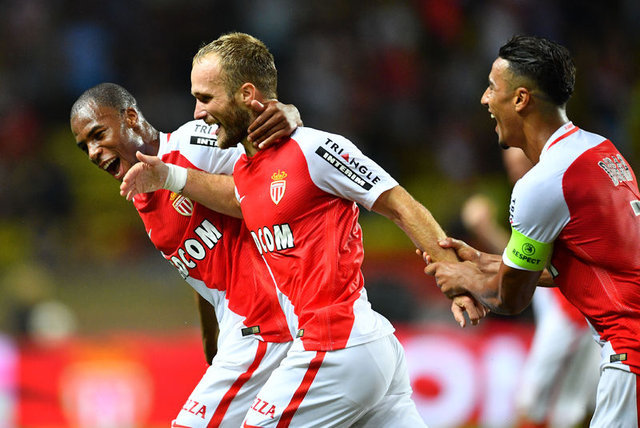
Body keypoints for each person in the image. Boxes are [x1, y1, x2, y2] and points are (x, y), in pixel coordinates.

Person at [119, 32, 487, 427]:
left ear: (246, 94)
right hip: (364, 348)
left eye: (206, 98)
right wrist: (168, 176)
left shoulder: (314, 149)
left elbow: (400, 204)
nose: (197, 112)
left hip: (336, 344)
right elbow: (234, 198)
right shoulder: (245, 172)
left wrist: (455, 277)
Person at [422, 35, 640, 427]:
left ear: (521, 99)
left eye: (492, 88)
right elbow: (579, 265)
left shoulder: (544, 182)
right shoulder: (601, 150)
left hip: (631, 349)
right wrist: (485, 261)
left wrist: (462, 277)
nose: (485, 100)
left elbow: (510, 298)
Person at [69, 82, 303, 427]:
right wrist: (212, 343)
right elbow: (204, 272)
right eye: (84, 146)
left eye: (98, 134)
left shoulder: (195, 142)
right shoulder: (140, 195)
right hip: (243, 332)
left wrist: (287, 115)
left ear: (130, 117)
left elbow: (275, 180)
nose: (92, 152)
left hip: (269, 324)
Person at [461, 148, 599, 428]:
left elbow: (533, 265)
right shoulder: (533, 195)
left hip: (569, 314)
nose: (515, 171)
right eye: (509, 166)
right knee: (571, 409)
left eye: (520, 163)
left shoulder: (550, 197)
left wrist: (481, 249)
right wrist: (486, 231)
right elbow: (524, 259)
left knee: (537, 404)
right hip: (565, 310)